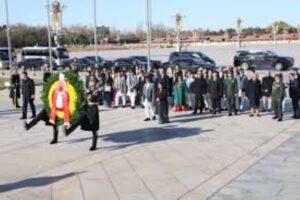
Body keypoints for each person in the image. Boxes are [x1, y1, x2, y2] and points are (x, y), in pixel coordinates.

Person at [65, 78, 100, 151]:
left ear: (95, 83)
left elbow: (92, 98)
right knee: (78, 120)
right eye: (90, 81)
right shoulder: (88, 90)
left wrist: (88, 93)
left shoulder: (97, 91)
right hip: (86, 108)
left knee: (93, 128)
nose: (91, 83)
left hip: (93, 110)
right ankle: (67, 131)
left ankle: (94, 145)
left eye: (92, 81)